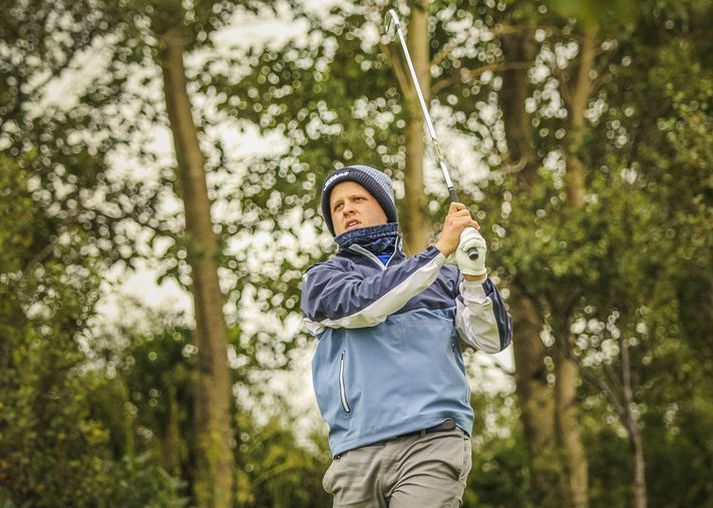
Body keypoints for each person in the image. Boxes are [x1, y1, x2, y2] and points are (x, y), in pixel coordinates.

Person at [301, 164, 512, 507]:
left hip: (431, 442)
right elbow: (363, 305)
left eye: (357, 199)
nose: (347, 209)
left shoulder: (443, 279)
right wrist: (440, 250)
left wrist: (474, 275)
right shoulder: (322, 280)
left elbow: (493, 339)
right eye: (337, 207)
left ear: (385, 208)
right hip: (354, 451)